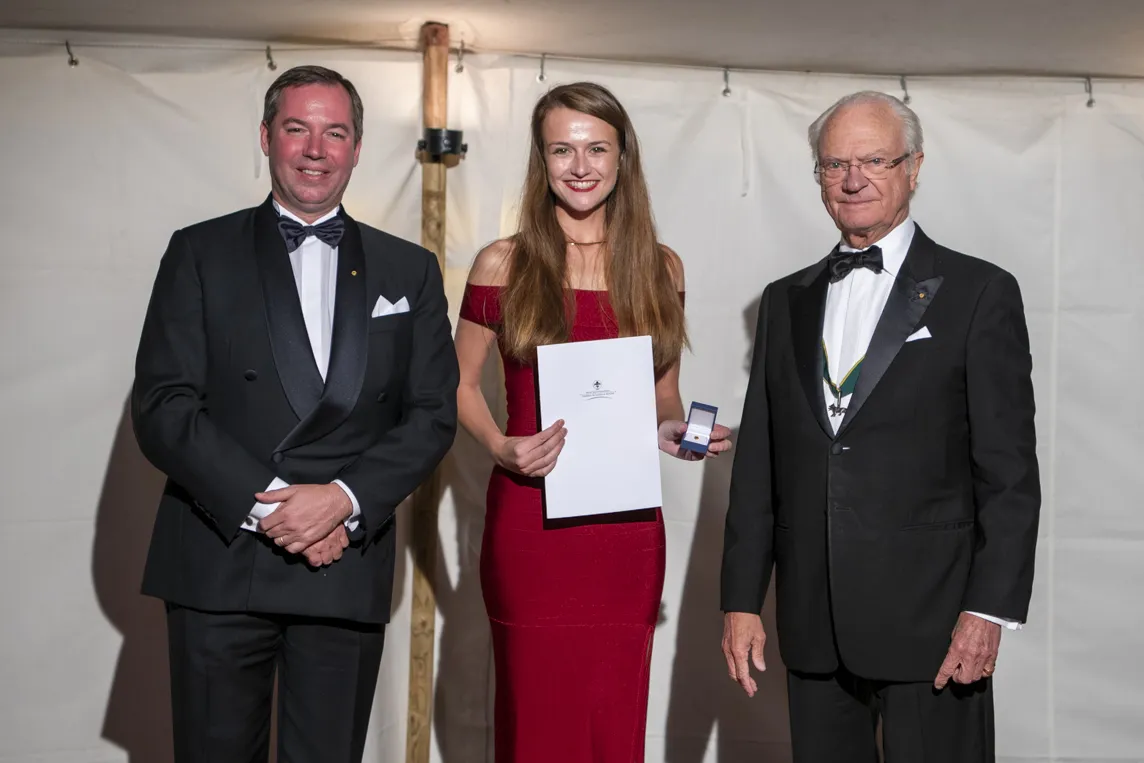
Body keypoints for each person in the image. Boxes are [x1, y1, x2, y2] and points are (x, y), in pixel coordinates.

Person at [132, 64, 458, 763]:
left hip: (344, 559)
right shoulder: (198, 251)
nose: (315, 150)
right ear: (266, 137)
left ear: (357, 148)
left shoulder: (410, 269)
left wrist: (341, 501)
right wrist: (277, 508)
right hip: (220, 557)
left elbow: (432, 414)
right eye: (297, 129)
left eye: (334, 133)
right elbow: (163, 406)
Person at [720, 91, 1040, 762]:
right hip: (813, 623)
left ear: (914, 168)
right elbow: (760, 466)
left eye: (874, 160)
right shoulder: (784, 300)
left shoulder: (980, 292)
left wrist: (988, 610)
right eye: (835, 164)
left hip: (935, 624)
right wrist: (741, 600)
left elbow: (1009, 475)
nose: (853, 179)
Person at [454, 82, 731, 762]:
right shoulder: (503, 262)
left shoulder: (660, 267)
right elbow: (455, 384)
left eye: (597, 148)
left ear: (622, 156)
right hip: (531, 523)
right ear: (542, 160)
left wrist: (671, 430)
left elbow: (664, 394)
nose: (580, 166)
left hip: (625, 533)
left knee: (613, 714)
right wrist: (499, 444)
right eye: (562, 150)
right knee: (535, 713)